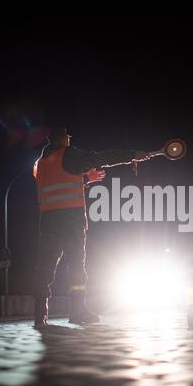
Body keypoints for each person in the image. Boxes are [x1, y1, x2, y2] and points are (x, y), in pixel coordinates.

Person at [33, 127, 149, 328]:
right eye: (68, 138)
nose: (69, 141)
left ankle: (39, 314)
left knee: (45, 266)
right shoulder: (69, 154)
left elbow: (58, 180)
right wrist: (132, 156)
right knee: (76, 266)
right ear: (63, 139)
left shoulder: (40, 163)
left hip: (49, 220)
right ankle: (78, 311)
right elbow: (101, 157)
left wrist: (86, 179)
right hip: (71, 220)